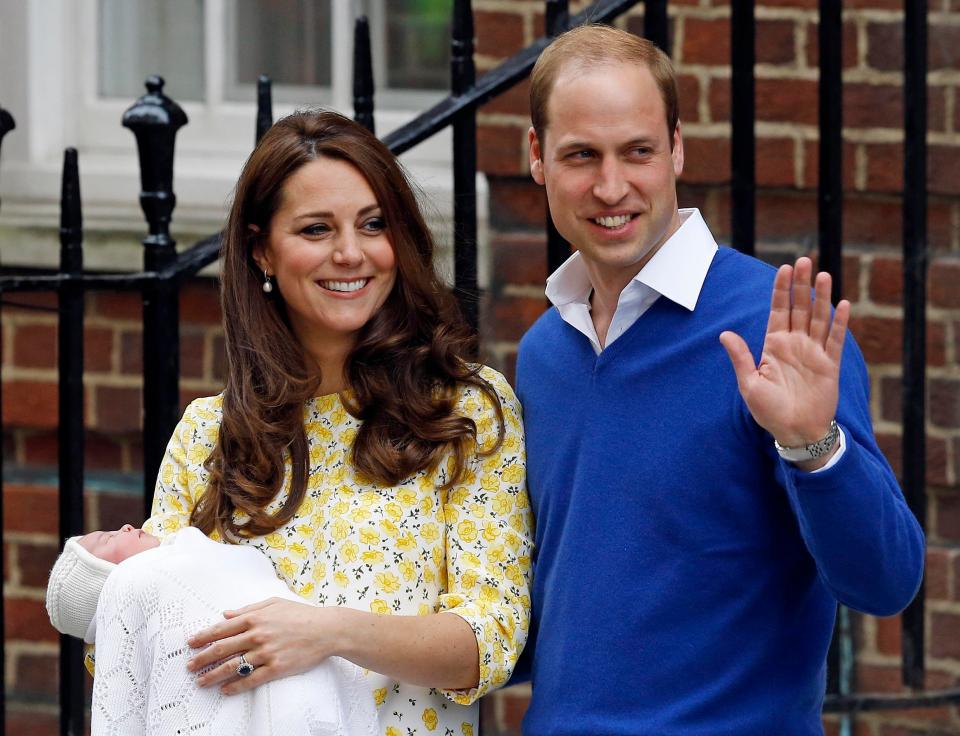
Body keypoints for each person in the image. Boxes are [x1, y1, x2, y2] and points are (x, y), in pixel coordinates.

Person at [48, 110, 533, 736]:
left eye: (373, 224)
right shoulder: (208, 435)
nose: (351, 253)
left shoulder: (463, 412)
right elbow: (139, 634)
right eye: (316, 229)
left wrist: (325, 632)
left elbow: (490, 640)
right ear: (262, 252)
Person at [515, 24, 925, 735]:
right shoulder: (543, 353)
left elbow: (885, 582)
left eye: (638, 151)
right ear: (537, 158)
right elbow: (553, 615)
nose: (611, 186)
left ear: (675, 146)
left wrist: (813, 445)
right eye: (582, 155)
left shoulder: (779, 333)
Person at [46, 524, 377, 735]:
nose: (127, 526)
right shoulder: (139, 582)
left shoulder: (188, 556)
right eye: (109, 539)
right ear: (108, 583)